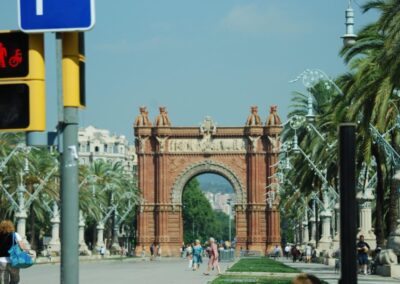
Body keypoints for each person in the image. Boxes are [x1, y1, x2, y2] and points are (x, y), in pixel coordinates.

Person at [0, 220, 27, 284]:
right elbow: (22, 247)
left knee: (3, 281)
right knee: (15, 279)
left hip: (1, 261)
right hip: (13, 261)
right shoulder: (15, 234)